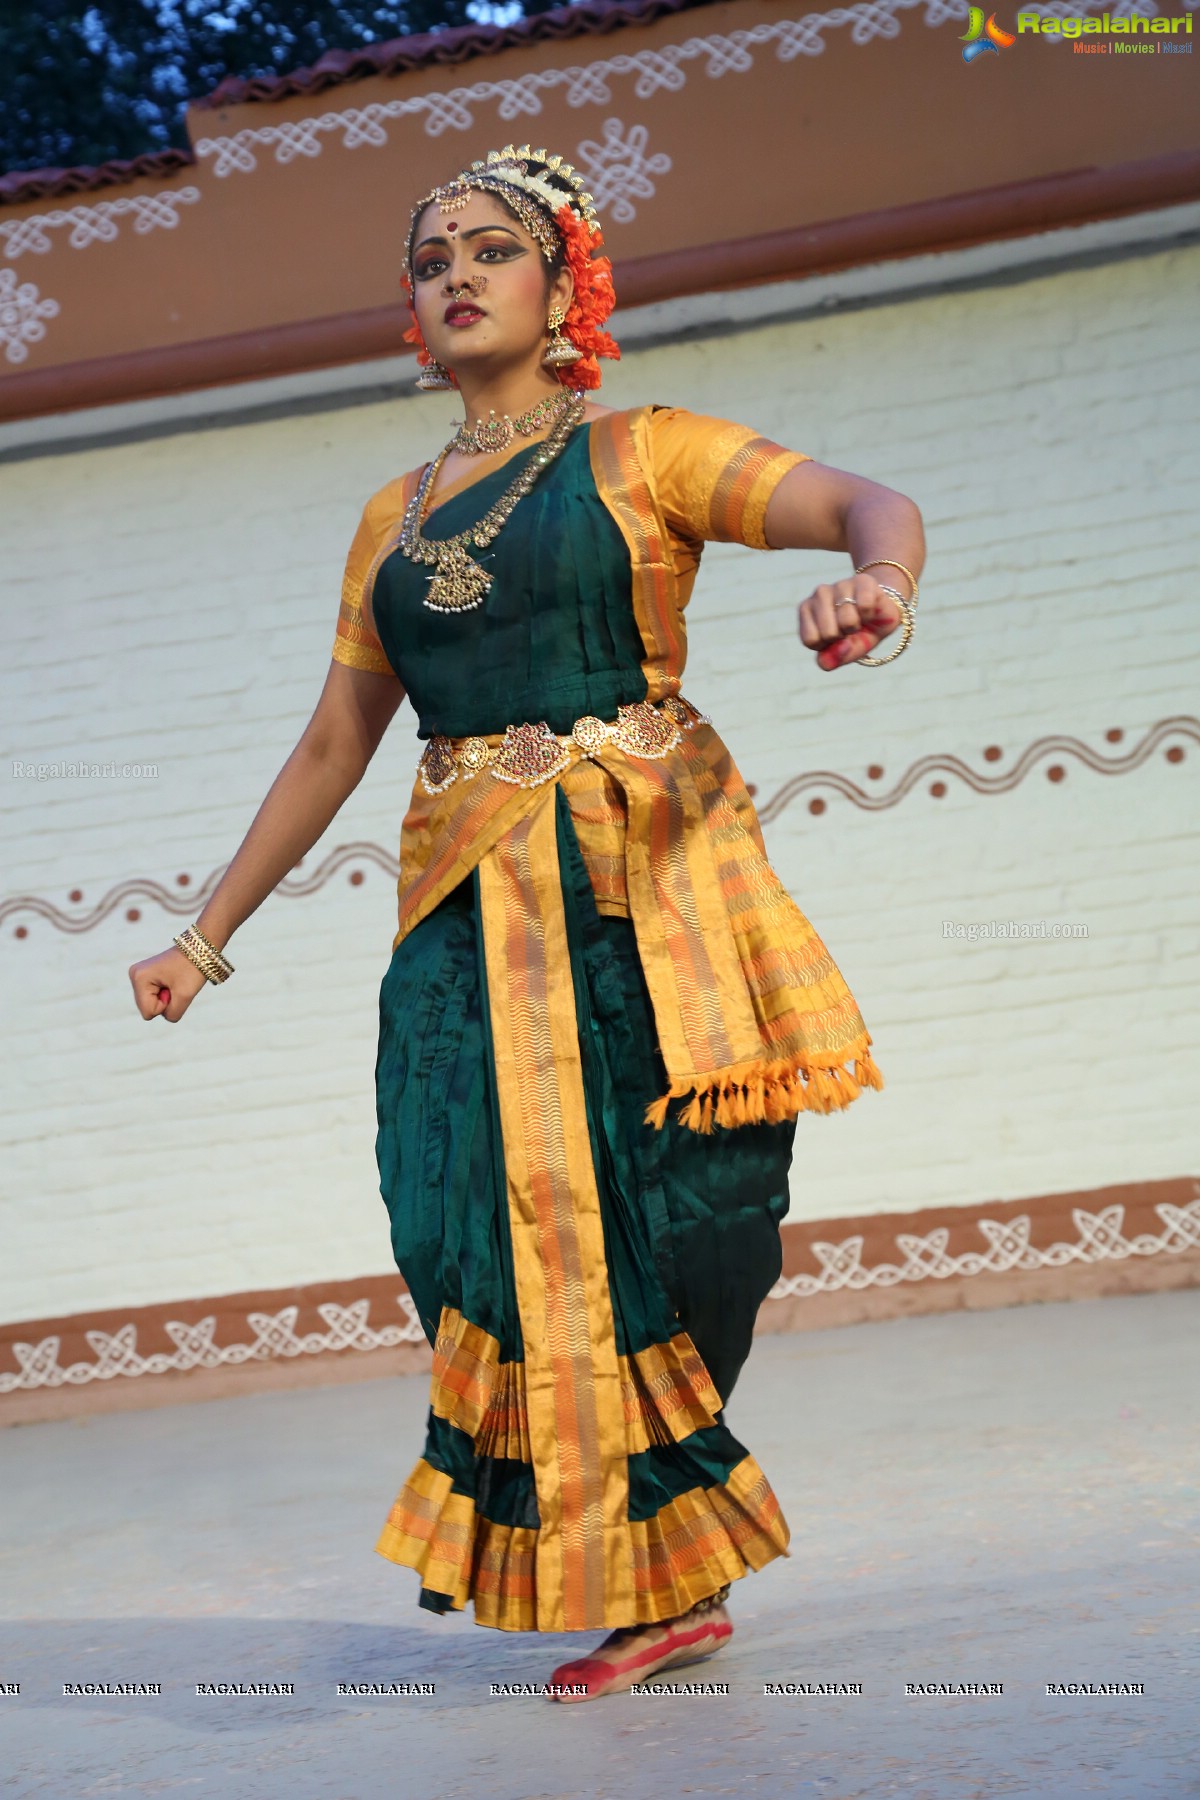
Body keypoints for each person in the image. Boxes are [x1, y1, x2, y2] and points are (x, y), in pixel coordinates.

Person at [129, 144, 925, 1702]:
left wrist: (877, 580)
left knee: (688, 1209)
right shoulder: (394, 518)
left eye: (492, 249)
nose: (457, 278)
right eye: (431, 263)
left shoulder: (649, 451)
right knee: (457, 1227)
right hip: (462, 913)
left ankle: (663, 1565)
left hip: (649, 898)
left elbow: (861, 501)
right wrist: (203, 936)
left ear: (566, 285)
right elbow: (332, 745)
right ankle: (617, 1548)